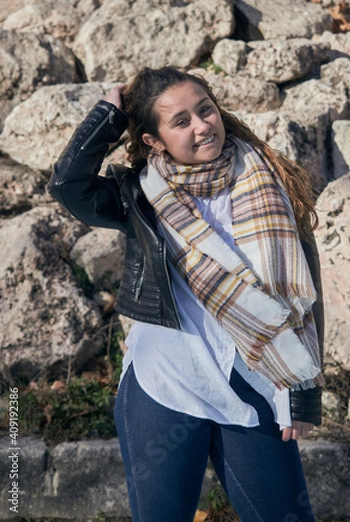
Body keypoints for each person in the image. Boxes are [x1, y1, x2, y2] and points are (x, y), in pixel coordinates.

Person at [48, 66, 325, 522]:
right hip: (166, 387)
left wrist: (304, 388)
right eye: (180, 122)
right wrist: (109, 116)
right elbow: (68, 186)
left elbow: (305, 296)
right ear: (152, 140)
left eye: (205, 110)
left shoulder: (271, 180)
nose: (201, 126)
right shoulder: (139, 196)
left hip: (254, 383)